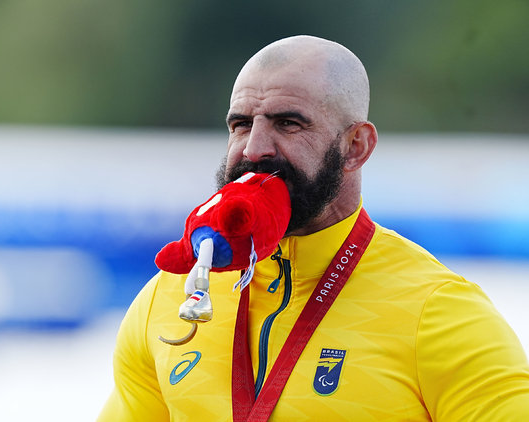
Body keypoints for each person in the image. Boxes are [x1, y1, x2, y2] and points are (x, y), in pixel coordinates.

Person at [98, 35, 529, 421]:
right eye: (241, 124)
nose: (254, 149)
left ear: (355, 146)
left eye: (288, 123)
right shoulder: (170, 296)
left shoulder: (438, 311)